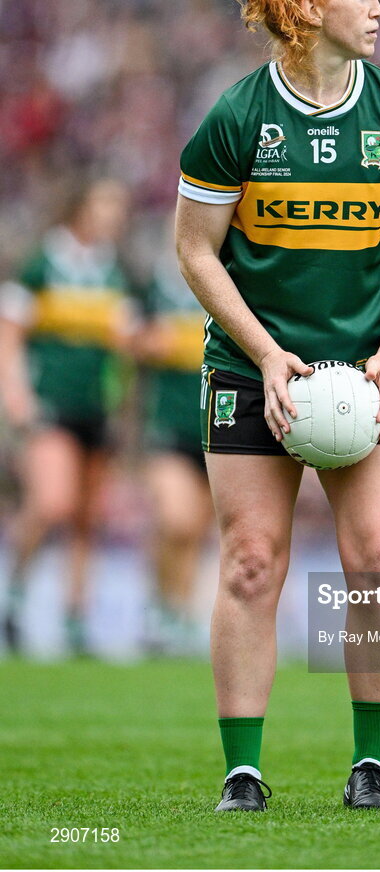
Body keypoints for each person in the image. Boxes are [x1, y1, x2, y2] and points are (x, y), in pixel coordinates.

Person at [175, 0, 380, 811]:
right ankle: (242, 772)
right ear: (304, 3)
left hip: (369, 373)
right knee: (253, 561)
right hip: (254, 374)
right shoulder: (235, 118)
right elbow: (195, 248)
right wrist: (264, 353)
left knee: (379, 559)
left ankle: (371, 763)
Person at [0, 178, 132, 655]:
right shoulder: (43, 262)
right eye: (105, 203)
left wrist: (122, 404)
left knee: (86, 519)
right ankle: (13, 596)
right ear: (80, 206)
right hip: (50, 405)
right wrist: (16, 396)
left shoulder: (114, 270)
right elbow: (9, 333)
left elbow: (123, 349)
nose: (114, 214)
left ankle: (76, 618)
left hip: (96, 409)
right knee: (52, 502)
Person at [134, 221, 214, 655]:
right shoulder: (155, 288)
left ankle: (177, 612)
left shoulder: (227, 282)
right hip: (167, 423)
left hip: (214, 426)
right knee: (175, 519)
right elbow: (129, 337)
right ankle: (161, 605)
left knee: (195, 531)